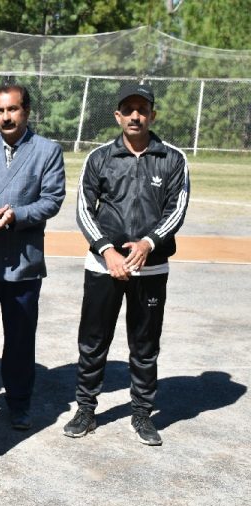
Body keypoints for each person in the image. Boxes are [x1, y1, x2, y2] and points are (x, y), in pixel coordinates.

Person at [63, 83, 190, 446]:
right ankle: (86, 409)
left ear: (152, 115)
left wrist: (149, 243)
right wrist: (107, 251)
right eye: (129, 109)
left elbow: (177, 209)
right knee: (93, 341)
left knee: (145, 344)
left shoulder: (173, 158)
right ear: (118, 115)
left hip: (151, 267)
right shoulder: (100, 157)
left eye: (142, 109)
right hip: (104, 266)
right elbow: (84, 209)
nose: (136, 116)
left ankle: (142, 413)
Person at [0, 84, 65, 430]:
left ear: (27, 111)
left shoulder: (47, 150)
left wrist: (16, 216)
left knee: (19, 337)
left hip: (23, 261)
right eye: (0, 111)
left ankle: (19, 401)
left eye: (13, 109)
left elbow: (52, 199)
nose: (6, 117)